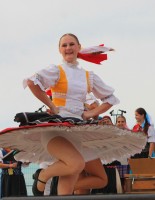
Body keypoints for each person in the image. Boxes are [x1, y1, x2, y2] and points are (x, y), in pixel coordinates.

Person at [24, 33, 119, 196]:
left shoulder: (89, 76)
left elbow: (110, 98)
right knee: (76, 164)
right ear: (59, 50)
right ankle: (43, 175)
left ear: (79, 47)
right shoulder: (56, 70)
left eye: (72, 44)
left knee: (75, 186)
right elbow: (31, 82)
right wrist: (52, 105)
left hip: (78, 131)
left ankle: (60, 188)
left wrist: (90, 114)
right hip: (57, 129)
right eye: (64, 45)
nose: (68, 48)